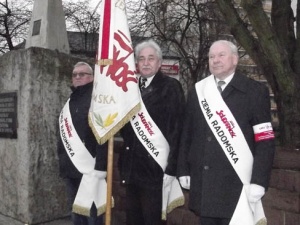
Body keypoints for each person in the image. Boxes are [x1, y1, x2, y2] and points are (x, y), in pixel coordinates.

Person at [177, 40, 275, 225]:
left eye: (221, 55)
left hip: (236, 187)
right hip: (204, 185)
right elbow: (187, 134)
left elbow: (265, 141)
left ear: (235, 59)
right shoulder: (198, 91)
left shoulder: (255, 91)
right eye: (211, 57)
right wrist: (183, 169)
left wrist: (259, 181)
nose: (215, 60)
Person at [118, 39, 185, 225]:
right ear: (136, 64)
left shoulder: (170, 87)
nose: (146, 63)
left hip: (155, 170)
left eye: (151, 58)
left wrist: (172, 168)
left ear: (159, 62)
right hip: (131, 169)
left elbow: (177, 130)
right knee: (132, 220)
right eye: (141, 59)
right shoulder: (130, 88)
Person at [57, 62, 107, 225]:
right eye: (75, 74)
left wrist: (101, 165)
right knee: (76, 214)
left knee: (92, 216)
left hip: (90, 169)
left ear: (92, 77)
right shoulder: (71, 100)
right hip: (71, 168)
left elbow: (103, 135)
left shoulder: (97, 99)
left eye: (82, 74)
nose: (77, 77)